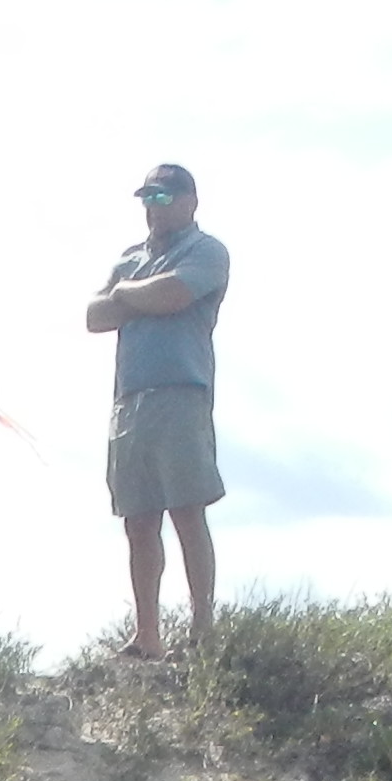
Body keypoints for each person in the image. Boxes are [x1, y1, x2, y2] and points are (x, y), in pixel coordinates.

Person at [81, 160, 229, 662]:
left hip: (180, 393)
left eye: (164, 199)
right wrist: (129, 295)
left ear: (190, 201)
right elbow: (95, 316)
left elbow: (173, 295)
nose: (154, 209)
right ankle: (147, 635)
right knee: (138, 520)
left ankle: (201, 629)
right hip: (130, 400)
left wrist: (126, 295)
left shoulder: (206, 251)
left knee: (188, 509)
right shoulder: (129, 259)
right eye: (148, 199)